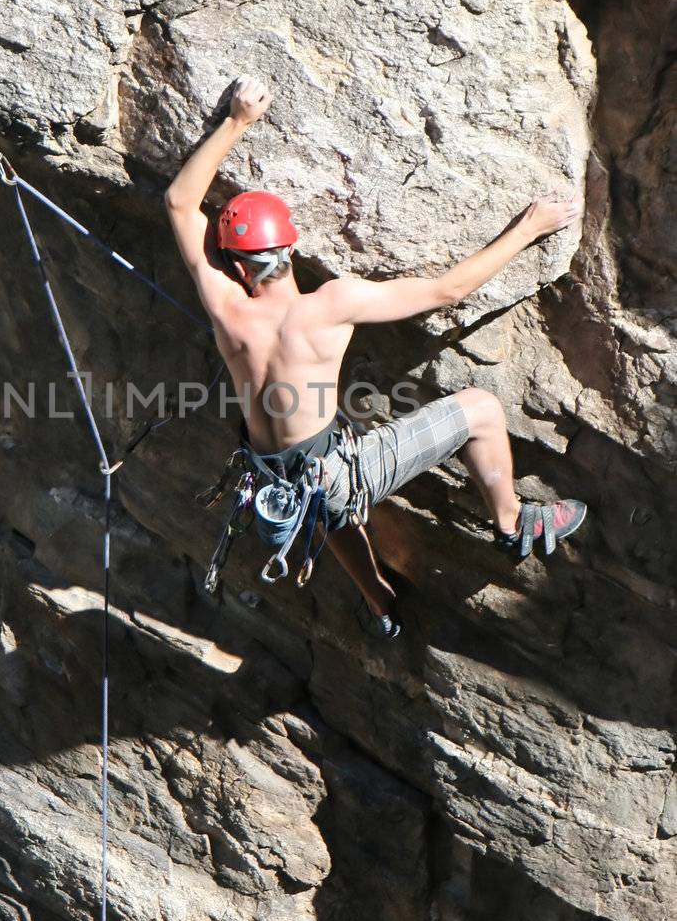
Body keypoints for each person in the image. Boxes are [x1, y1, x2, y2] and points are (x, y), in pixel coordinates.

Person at [164, 75, 587, 637]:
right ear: (290, 249)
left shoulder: (226, 308)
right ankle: (512, 523)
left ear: (237, 266)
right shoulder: (333, 303)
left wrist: (237, 121)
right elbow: (446, 291)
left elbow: (178, 200)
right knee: (481, 409)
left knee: (323, 492)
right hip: (325, 472)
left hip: (270, 477)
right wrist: (527, 227)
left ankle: (381, 604)